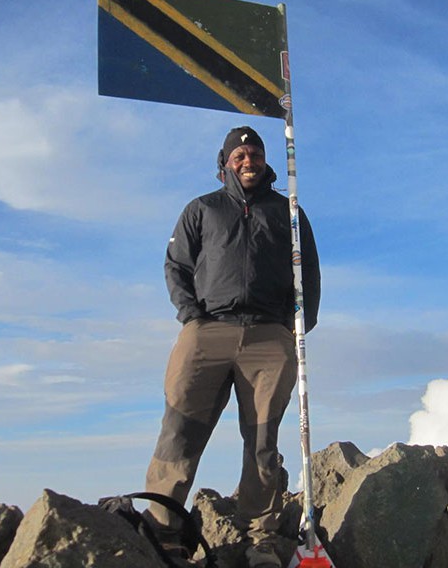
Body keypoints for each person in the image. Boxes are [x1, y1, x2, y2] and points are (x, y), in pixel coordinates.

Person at [144, 126, 321, 568]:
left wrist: (294, 327)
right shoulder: (201, 209)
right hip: (208, 330)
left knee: (262, 439)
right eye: (239, 154)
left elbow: (309, 276)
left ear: (264, 160)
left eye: (255, 153)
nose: (248, 160)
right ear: (225, 161)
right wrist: (192, 317)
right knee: (181, 425)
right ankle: (164, 529)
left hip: (268, 335)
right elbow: (176, 266)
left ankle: (258, 537)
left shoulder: (289, 212)